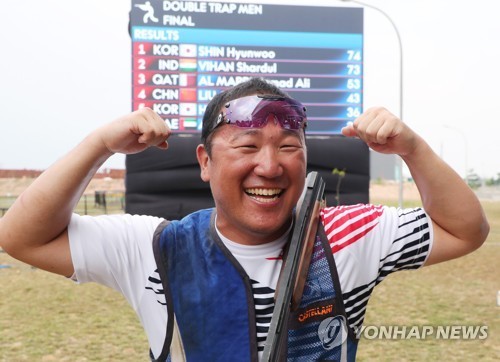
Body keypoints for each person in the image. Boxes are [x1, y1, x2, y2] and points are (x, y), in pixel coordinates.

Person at [0, 77, 489, 361]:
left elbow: (466, 230)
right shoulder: (154, 247)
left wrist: (413, 148)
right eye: (247, 146)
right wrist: (98, 144)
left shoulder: (350, 236)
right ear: (205, 163)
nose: (270, 165)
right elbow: (20, 237)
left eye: (289, 147)